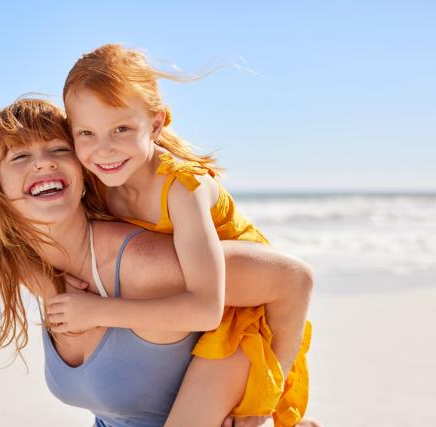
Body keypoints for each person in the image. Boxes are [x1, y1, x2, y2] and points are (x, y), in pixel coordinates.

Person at [0, 99, 315, 426]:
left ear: (82, 167)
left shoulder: (146, 264)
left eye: (60, 149)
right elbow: (6, 243)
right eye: (20, 155)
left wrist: (263, 401)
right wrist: (51, 289)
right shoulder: (36, 264)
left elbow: (293, 278)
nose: (43, 163)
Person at [53, 44, 311, 424]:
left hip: (240, 318)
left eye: (121, 129)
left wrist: (96, 311)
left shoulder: (182, 189)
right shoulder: (97, 179)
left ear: (156, 124)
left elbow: (208, 310)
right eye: (86, 132)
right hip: (180, 316)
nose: (103, 148)